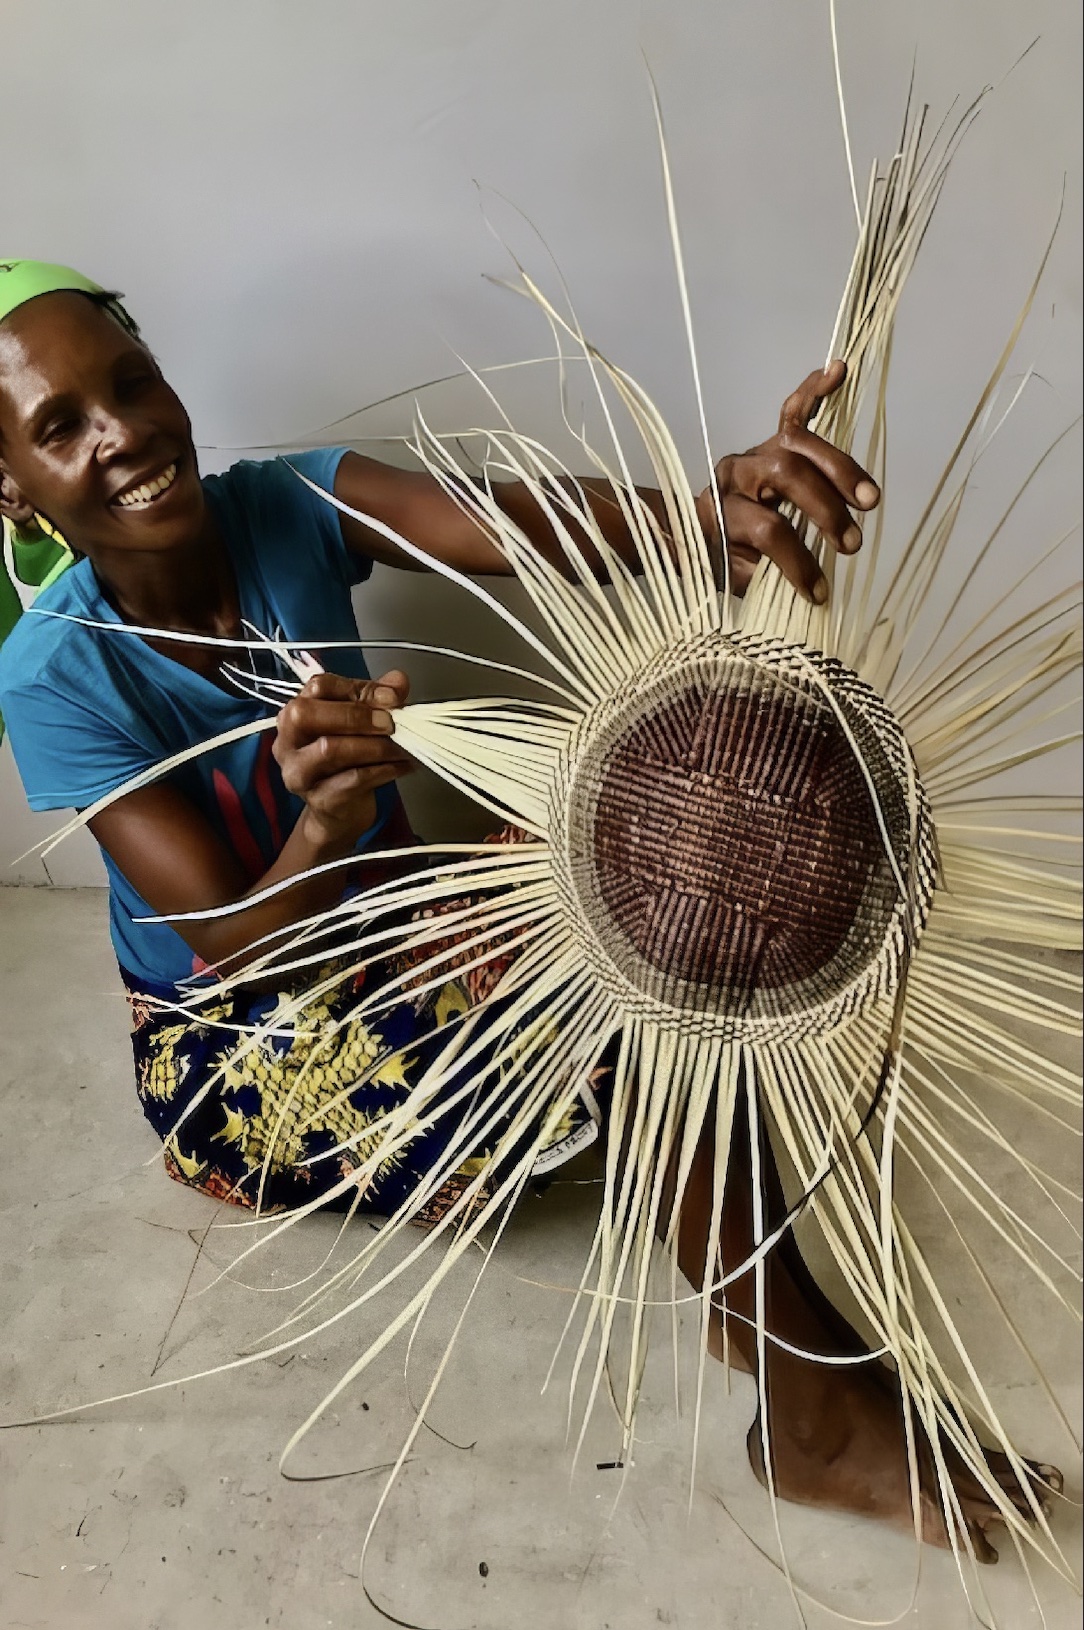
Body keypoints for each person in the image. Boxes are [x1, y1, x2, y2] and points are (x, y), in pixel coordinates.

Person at [0, 260, 1055, 1558]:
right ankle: (820, 1416)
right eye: (60, 427)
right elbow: (228, 941)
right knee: (629, 996)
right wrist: (325, 824)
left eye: (132, 383)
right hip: (241, 1048)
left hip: (401, 920)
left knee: (661, 864)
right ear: (12, 487)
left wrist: (710, 508)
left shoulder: (279, 502)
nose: (124, 436)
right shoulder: (51, 672)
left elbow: (522, 522)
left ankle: (771, 1329)